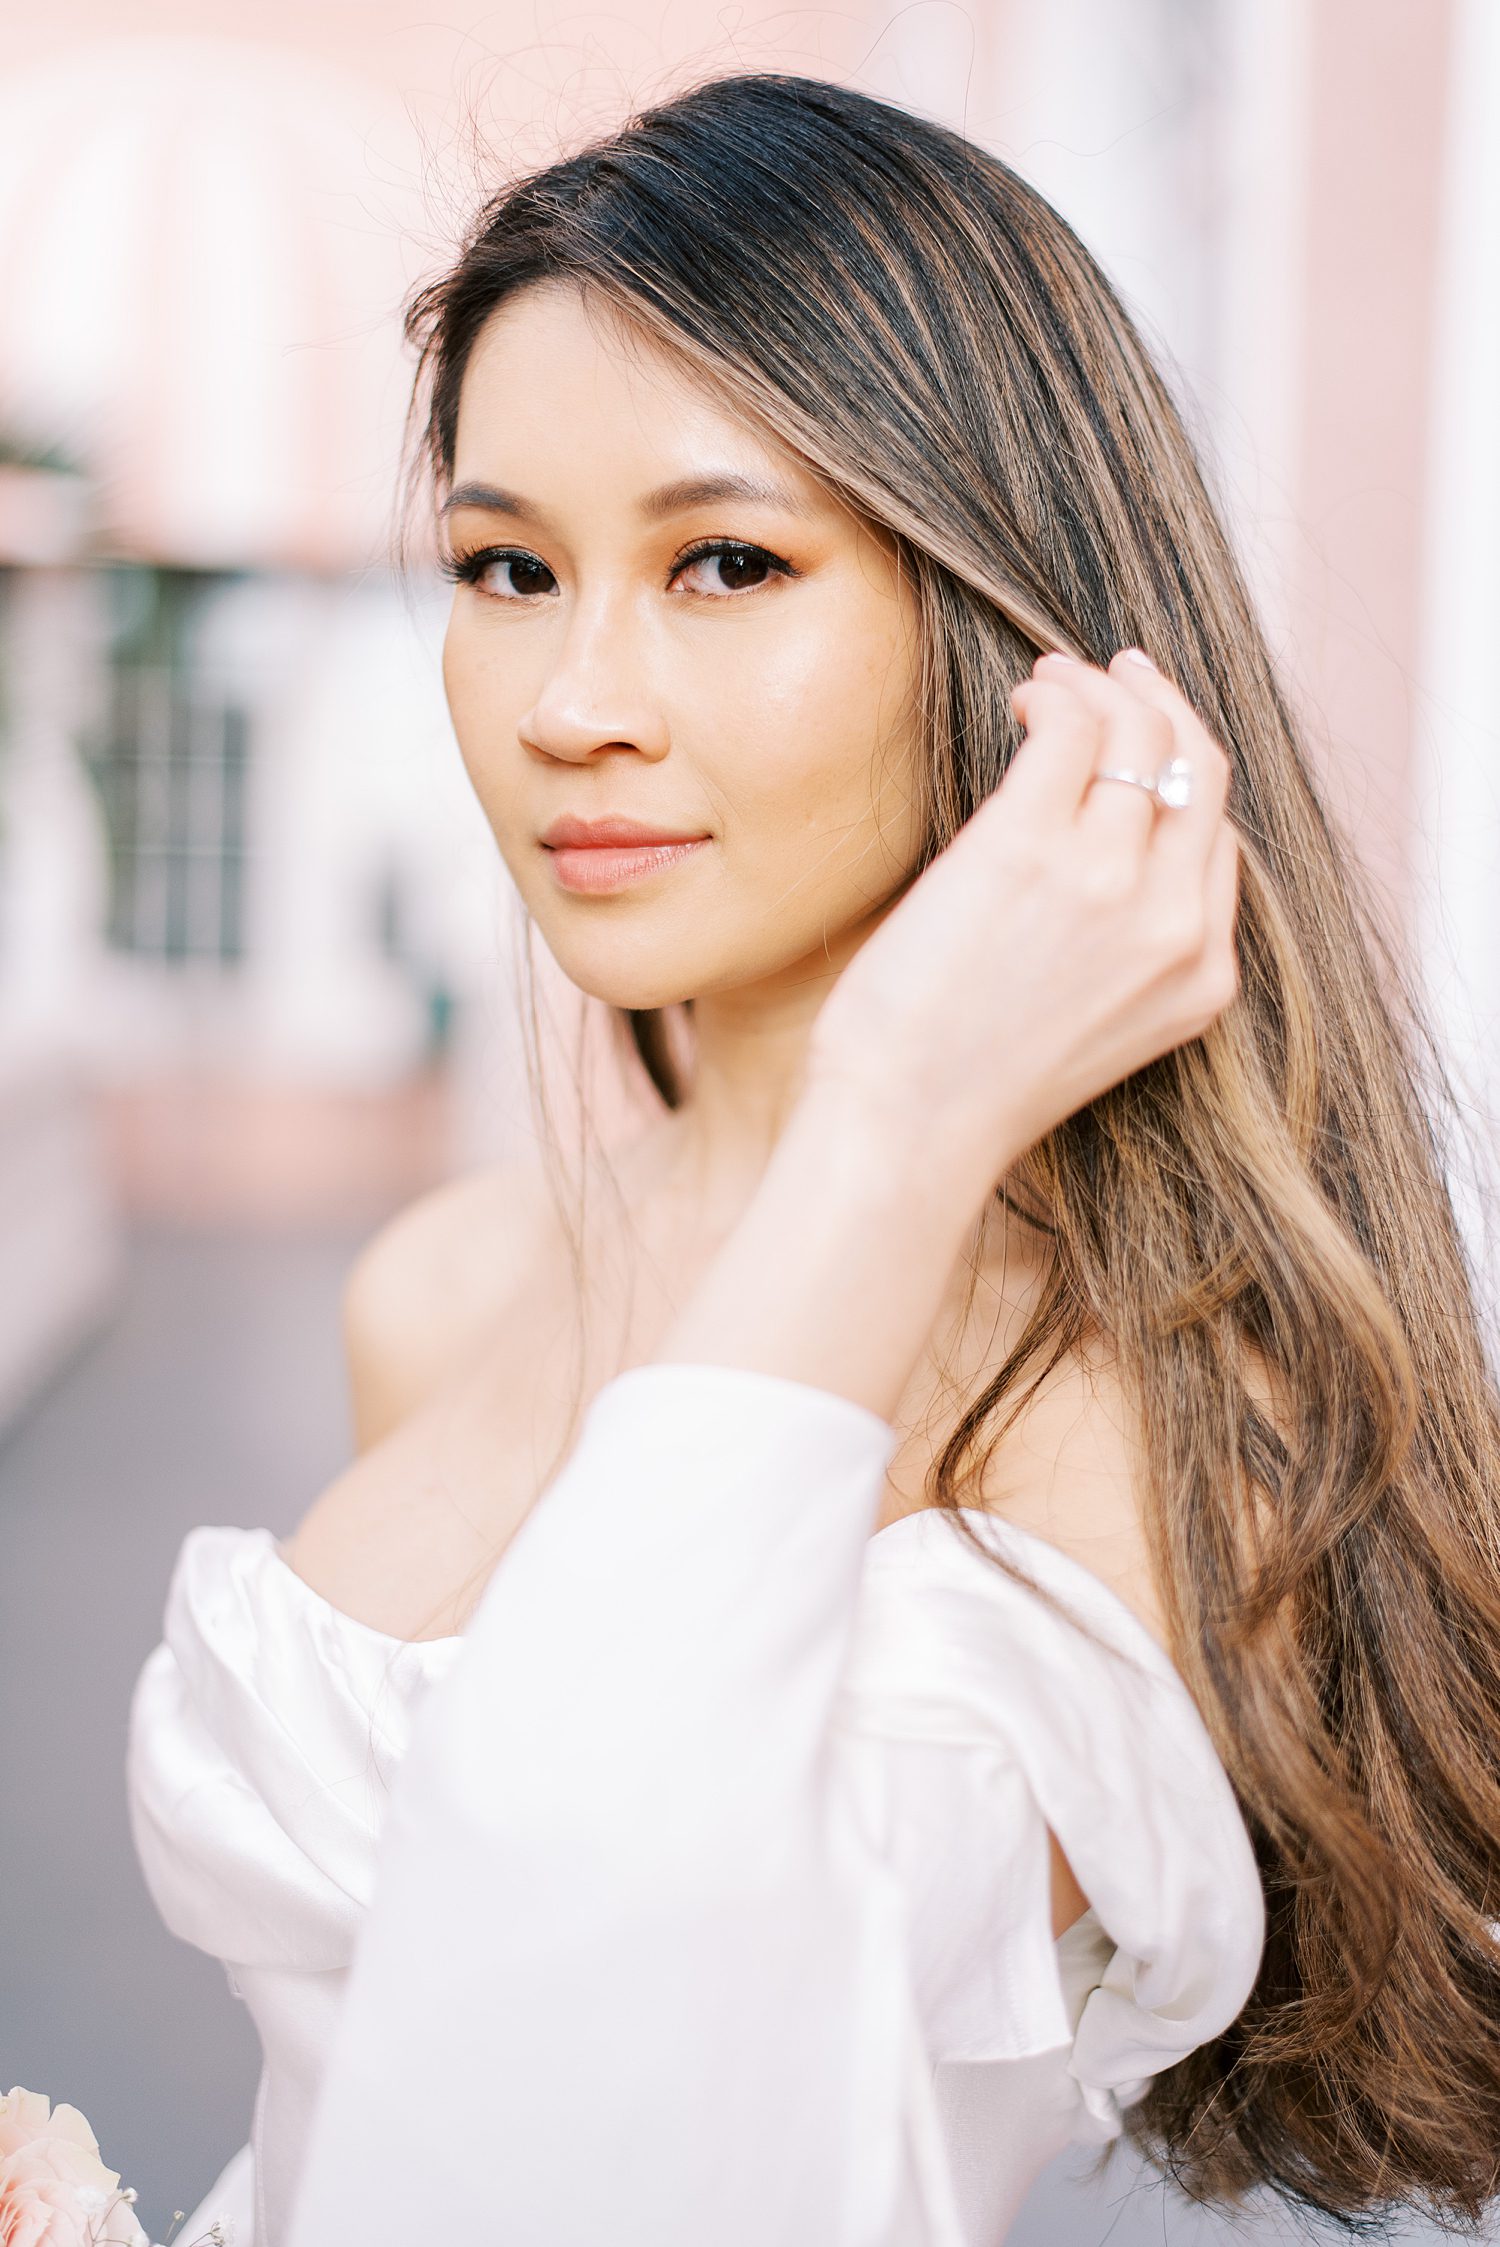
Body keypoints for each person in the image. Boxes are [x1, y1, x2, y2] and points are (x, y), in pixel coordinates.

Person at [128, 71, 1500, 2247]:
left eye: (728, 561)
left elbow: (589, 2111)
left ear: (1017, 629)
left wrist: (903, 1118)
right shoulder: (457, 1280)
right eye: (507, 566)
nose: (573, 695)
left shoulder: (1133, 1428)